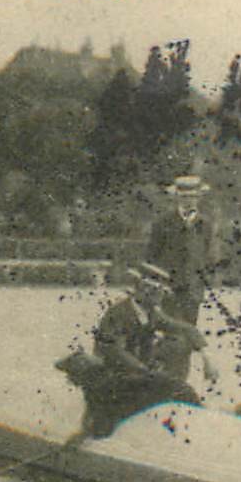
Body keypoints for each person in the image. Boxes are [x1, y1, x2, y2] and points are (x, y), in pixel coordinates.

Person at [56, 265, 216, 439]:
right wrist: (145, 371)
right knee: (172, 387)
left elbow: (187, 329)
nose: (159, 298)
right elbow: (114, 351)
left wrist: (207, 359)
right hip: (115, 375)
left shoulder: (151, 313)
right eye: (156, 292)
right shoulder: (118, 314)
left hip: (137, 374)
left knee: (175, 376)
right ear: (143, 290)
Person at [146, 174, 217, 338]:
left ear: (199, 198)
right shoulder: (163, 223)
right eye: (184, 197)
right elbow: (151, 256)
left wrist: (203, 279)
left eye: (193, 197)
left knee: (189, 333)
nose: (189, 201)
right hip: (168, 288)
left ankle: (184, 364)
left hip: (193, 290)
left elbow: (209, 255)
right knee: (169, 333)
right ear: (176, 198)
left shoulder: (205, 224)